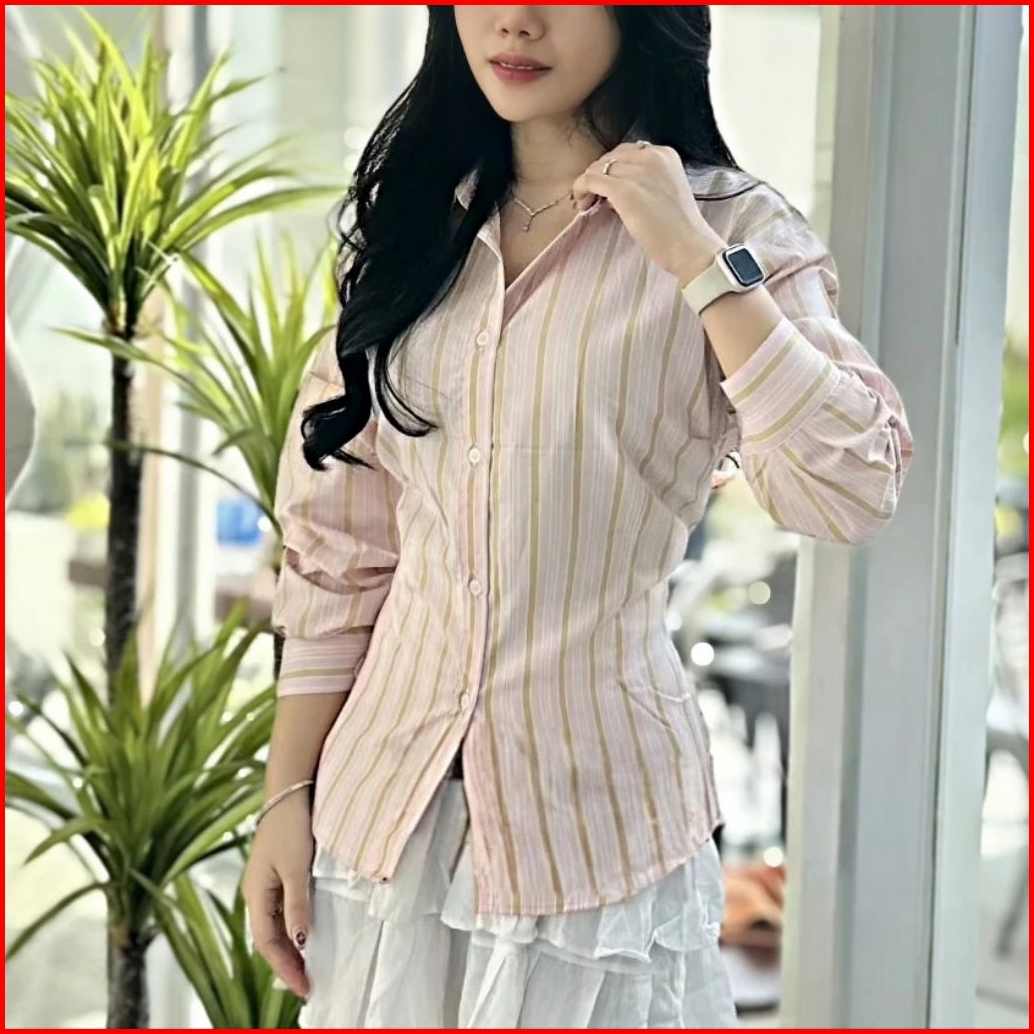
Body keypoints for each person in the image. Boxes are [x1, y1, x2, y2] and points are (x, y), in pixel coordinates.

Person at [244, 6, 913, 1028]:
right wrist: (285, 796)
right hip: (382, 829)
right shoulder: (418, 222)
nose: (514, 20)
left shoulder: (735, 230)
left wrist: (695, 262)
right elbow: (342, 552)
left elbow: (851, 486)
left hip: (596, 846)